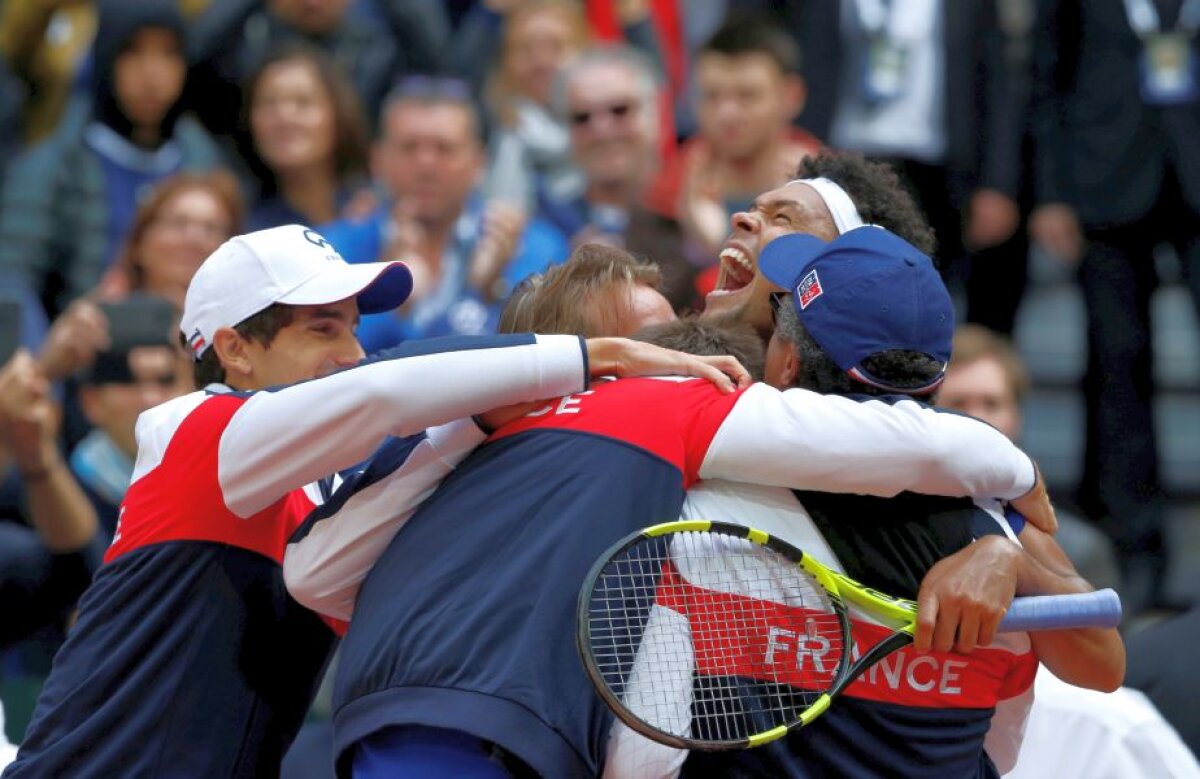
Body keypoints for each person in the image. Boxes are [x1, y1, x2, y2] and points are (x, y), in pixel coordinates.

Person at [285, 233, 1052, 776]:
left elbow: (312, 575)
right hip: (502, 733)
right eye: (656, 336)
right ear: (603, 358)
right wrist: (1019, 487)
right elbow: (912, 445)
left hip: (374, 723)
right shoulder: (655, 403)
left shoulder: (460, 428)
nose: (688, 349)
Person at [4, 224, 742, 778]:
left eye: (355, 329)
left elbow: (414, 434)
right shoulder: (189, 430)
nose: (353, 352)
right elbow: (383, 390)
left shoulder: (337, 494)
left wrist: (485, 421)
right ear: (234, 349)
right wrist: (601, 353)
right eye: (323, 328)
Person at [629, 229, 1123, 778]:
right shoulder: (996, 519)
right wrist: (1009, 558)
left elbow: (639, 754)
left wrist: (1010, 559)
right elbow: (1099, 671)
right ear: (934, 380)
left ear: (787, 362)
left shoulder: (692, 497)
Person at [1027, 0, 1200, 610]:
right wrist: (1051, 193)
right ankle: (1135, 550)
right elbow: (1047, 72)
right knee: (1118, 369)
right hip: (1105, 176)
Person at [797, 0, 1029, 334]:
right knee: (842, 300)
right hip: (840, 160)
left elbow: (995, 81)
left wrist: (997, 183)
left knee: (928, 301)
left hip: (938, 170)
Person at [0, 0, 220, 321]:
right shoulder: (55, 165)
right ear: (105, 58)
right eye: (132, 52)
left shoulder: (204, 165)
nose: (152, 73)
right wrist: (50, 347)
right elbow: (13, 279)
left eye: (169, 53)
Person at [320, 80, 569, 350]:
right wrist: (392, 300)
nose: (426, 165)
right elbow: (327, 356)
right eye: (409, 148)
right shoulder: (330, 252)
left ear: (478, 163)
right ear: (377, 161)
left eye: (445, 148)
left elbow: (539, 354)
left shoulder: (531, 247)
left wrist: (490, 290)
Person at [939, 324, 1121, 591]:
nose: (977, 419)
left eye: (991, 403)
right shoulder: (892, 539)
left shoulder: (1079, 551)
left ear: (1017, 417)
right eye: (958, 403)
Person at [540, 44, 698, 310]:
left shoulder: (695, 211)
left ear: (657, 114)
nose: (602, 130)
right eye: (582, 117)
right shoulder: (548, 223)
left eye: (620, 110)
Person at [657, 14, 821, 262]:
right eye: (711, 95)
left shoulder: (828, 192)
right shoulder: (665, 191)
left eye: (747, 95)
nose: (727, 113)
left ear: (791, 96)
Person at [240, 44, 372, 231]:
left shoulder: (383, 209)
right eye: (269, 104)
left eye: (303, 102)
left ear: (338, 113)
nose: (284, 117)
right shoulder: (243, 229)